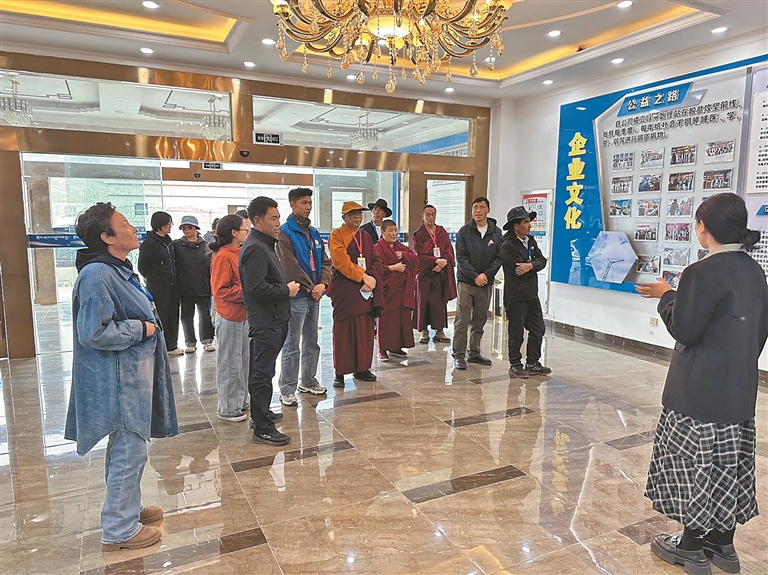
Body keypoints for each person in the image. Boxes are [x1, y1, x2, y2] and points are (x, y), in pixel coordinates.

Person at [636, 192, 768, 575]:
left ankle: (691, 547)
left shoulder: (700, 272)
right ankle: (723, 545)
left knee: (695, 466)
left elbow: (685, 330)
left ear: (703, 228)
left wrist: (667, 296)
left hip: (697, 394)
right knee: (727, 466)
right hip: (738, 390)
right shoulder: (754, 270)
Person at [64, 202, 178, 551]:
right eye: (125, 224)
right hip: (119, 381)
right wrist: (141, 329)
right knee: (130, 450)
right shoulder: (98, 275)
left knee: (127, 448)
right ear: (107, 237)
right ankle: (119, 528)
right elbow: (93, 332)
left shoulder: (117, 270)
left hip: (131, 377)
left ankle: (126, 507)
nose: (133, 229)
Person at [239, 196, 300, 446]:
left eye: (278, 218)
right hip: (266, 321)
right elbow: (255, 288)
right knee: (262, 374)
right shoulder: (255, 247)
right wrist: (286, 290)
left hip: (274, 318)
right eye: (273, 218)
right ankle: (262, 428)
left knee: (265, 371)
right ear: (257, 220)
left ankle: (261, 414)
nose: (278, 223)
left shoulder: (265, 244)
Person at [276, 187, 332, 406]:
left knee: (312, 341)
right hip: (297, 296)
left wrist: (322, 284)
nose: (308, 207)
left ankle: (308, 381)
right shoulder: (284, 232)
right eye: (303, 203)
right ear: (292, 204)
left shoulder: (313, 232)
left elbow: (325, 262)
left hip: (314, 294)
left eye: (309, 202)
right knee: (292, 344)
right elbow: (290, 268)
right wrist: (312, 288)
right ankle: (287, 388)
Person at [328, 201, 383, 387]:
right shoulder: (337, 235)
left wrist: (371, 278)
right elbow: (341, 262)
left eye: (359, 213)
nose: (357, 217)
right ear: (344, 218)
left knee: (364, 331)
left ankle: (362, 368)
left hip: (365, 291)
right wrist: (363, 277)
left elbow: (376, 259)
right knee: (343, 332)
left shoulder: (365, 236)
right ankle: (340, 372)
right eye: (352, 214)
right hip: (346, 290)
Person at [500, 206, 551, 378]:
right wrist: (531, 265)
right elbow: (517, 269)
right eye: (526, 222)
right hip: (515, 296)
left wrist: (530, 265)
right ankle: (515, 364)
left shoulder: (530, 241)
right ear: (516, 226)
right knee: (516, 333)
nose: (530, 225)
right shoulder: (507, 245)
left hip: (531, 294)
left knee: (538, 329)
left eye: (529, 221)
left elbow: (542, 260)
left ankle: (532, 362)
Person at [451, 197, 502, 370]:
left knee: (480, 319)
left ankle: (474, 352)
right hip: (466, 282)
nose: (478, 210)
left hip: (486, 283)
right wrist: (475, 276)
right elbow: (461, 258)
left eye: (482, 207)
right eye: (475, 207)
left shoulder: (496, 233)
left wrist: (486, 275)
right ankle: (458, 355)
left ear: (488, 210)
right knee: (462, 320)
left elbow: (499, 257)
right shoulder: (464, 231)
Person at [209, 214, 251, 422]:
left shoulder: (238, 253)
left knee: (243, 362)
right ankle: (228, 408)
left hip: (243, 315)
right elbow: (220, 290)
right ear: (234, 232)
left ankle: (240, 400)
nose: (247, 232)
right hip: (230, 316)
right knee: (230, 364)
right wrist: (250, 291)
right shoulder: (223, 256)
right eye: (244, 229)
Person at [138, 211, 182, 356]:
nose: (170, 226)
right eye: (167, 223)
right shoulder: (149, 242)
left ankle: (171, 346)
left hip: (172, 285)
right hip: (157, 286)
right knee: (160, 316)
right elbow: (142, 265)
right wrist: (151, 276)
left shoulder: (169, 241)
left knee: (173, 315)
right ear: (159, 224)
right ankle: (159, 347)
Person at [412, 204, 457, 344]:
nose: (431, 217)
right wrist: (435, 261)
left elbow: (448, 249)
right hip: (425, 274)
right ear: (422, 216)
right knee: (423, 302)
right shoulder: (419, 234)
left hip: (440, 273)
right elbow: (418, 254)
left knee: (439, 303)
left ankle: (440, 331)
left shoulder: (441, 231)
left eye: (433, 214)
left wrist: (443, 263)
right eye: (428, 215)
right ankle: (424, 332)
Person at [374, 220, 418, 360]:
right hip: (388, 291)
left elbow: (415, 259)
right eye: (390, 231)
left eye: (395, 230)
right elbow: (375, 268)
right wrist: (392, 268)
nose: (394, 233)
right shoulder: (377, 248)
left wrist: (404, 255)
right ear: (383, 233)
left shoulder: (401, 247)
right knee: (386, 320)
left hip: (402, 291)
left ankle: (396, 347)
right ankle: (382, 349)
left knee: (401, 319)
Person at [173, 215, 215, 353]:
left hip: (203, 287)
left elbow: (211, 268)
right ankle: (190, 342)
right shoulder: (176, 245)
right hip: (184, 287)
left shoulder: (206, 246)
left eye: (189, 227)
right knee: (186, 316)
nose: (187, 230)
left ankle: (207, 340)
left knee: (205, 316)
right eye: (184, 228)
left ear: (196, 228)